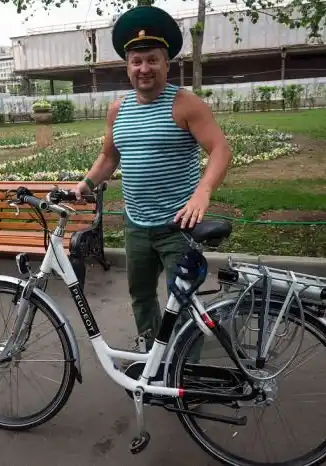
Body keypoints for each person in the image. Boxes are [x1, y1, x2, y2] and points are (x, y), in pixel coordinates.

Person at [72, 5, 233, 363]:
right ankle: (153, 358)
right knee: (142, 297)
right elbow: (109, 156)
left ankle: (185, 369)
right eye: (137, 61)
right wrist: (86, 184)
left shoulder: (186, 104)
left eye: (152, 60)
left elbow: (221, 150)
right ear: (127, 67)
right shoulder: (118, 110)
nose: (144, 68)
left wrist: (202, 192)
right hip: (137, 225)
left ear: (166, 64)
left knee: (183, 302)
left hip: (179, 226)